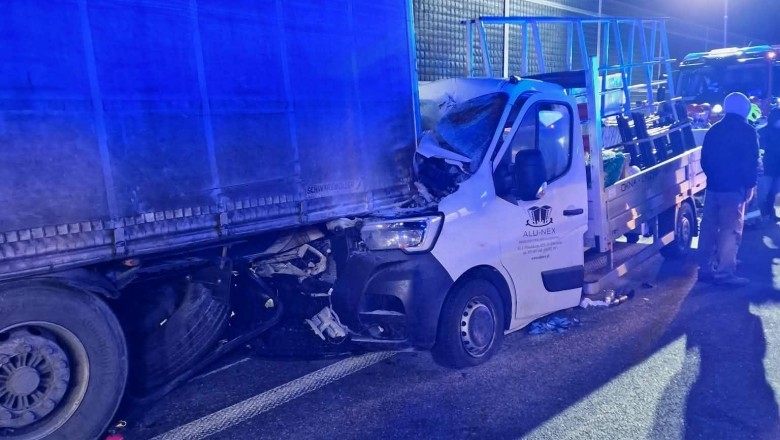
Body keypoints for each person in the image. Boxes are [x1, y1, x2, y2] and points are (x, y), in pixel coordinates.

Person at [698, 92, 760, 286]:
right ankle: (725, 271)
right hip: (734, 189)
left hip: (713, 187)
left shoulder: (714, 130)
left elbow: (704, 160)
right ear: (744, 109)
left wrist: (713, 177)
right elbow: (750, 162)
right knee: (730, 229)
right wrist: (750, 185)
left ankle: (705, 268)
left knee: (708, 228)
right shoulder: (747, 131)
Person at [758, 108, 780, 221]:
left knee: (774, 192)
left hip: (777, 168)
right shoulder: (763, 132)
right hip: (766, 168)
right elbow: (761, 150)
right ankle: (761, 214)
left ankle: (770, 213)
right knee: (762, 194)